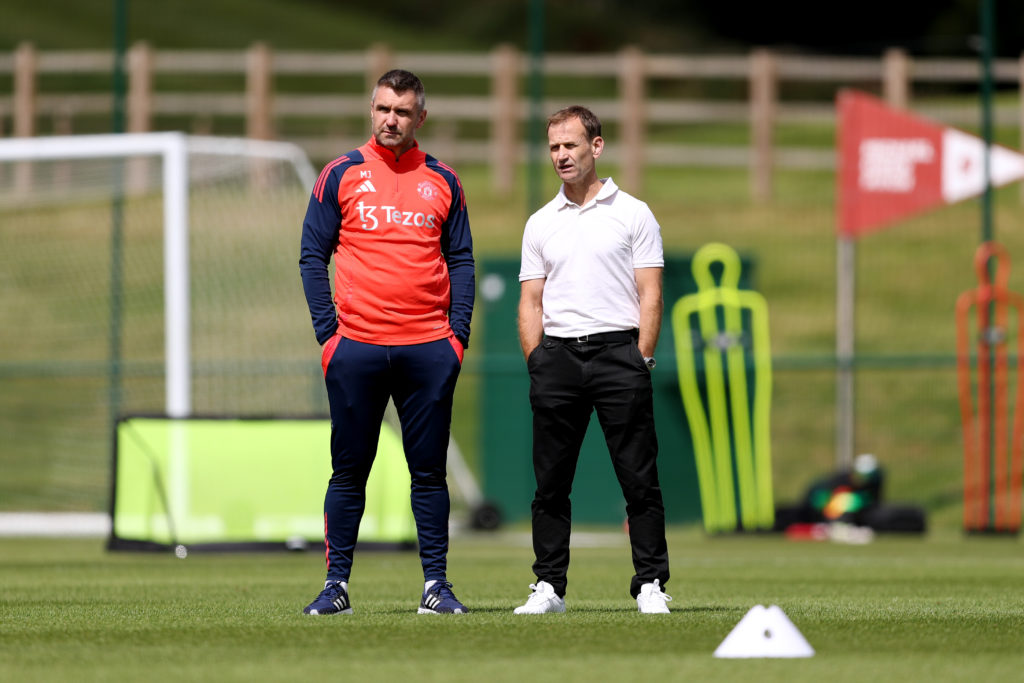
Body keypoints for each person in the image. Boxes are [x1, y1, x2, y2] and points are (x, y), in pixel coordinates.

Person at [298, 69, 475, 615]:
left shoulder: (443, 179)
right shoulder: (341, 174)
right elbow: (311, 257)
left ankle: (436, 587)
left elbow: (462, 260)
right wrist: (330, 337)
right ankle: (336, 587)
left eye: (401, 111)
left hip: (428, 349)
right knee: (350, 470)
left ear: (420, 117)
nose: (390, 119)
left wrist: (457, 338)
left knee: (428, 472)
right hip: (357, 349)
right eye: (382, 109)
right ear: (371, 111)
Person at [514, 105, 672, 615]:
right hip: (558, 357)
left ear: (596, 146)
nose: (561, 155)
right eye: (554, 147)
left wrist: (640, 359)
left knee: (639, 479)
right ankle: (548, 588)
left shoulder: (634, 213)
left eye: (571, 145)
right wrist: (538, 360)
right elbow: (530, 301)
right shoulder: (540, 222)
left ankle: (650, 582)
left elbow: (651, 295)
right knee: (550, 484)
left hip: (618, 354)